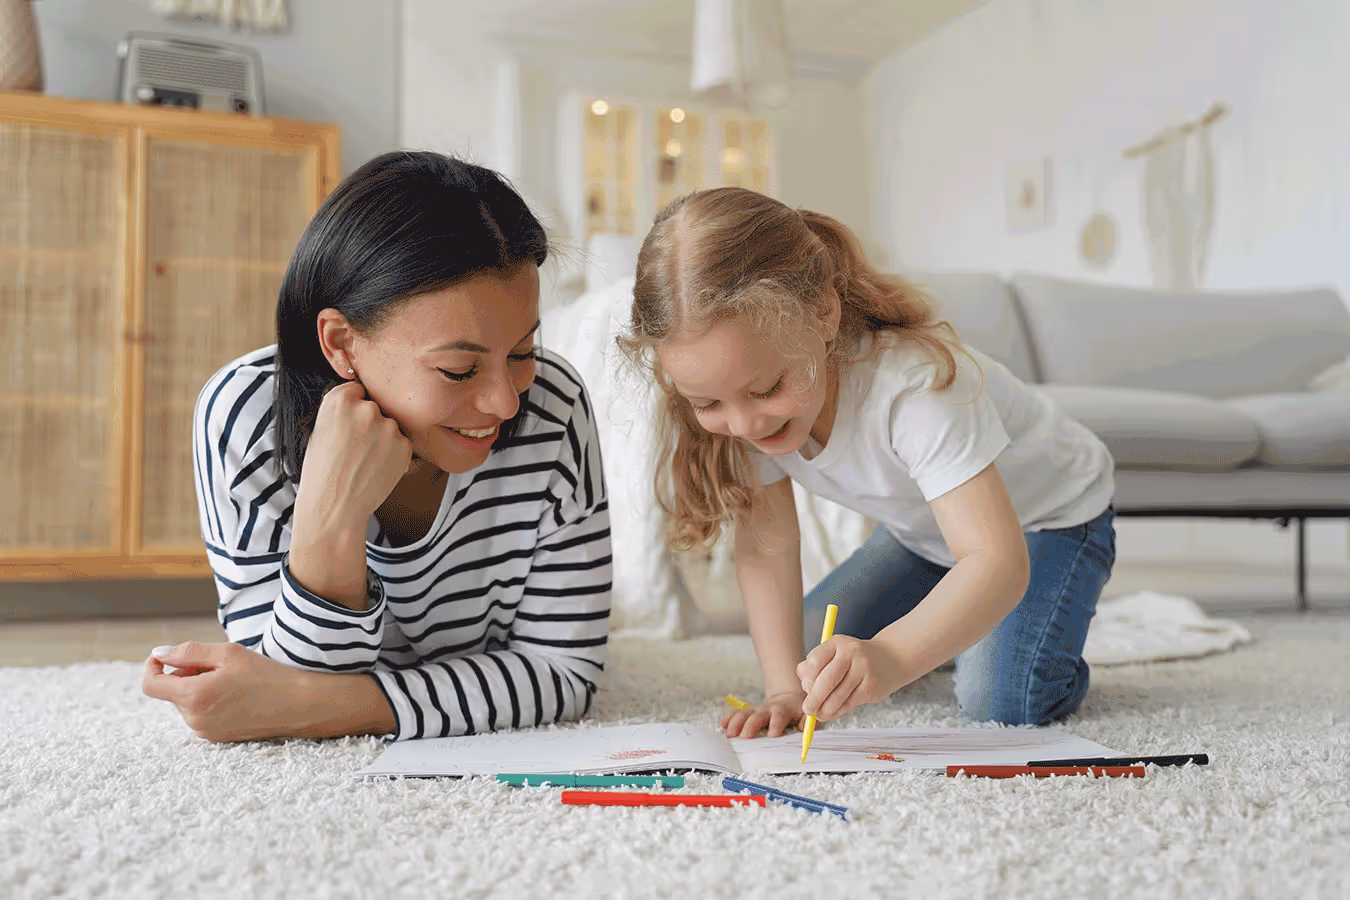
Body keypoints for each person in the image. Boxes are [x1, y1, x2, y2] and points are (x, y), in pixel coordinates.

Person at [142, 151, 612, 743]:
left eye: (521, 353)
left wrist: (341, 706)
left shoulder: (556, 405)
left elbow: (564, 674)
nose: (507, 404)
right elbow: (280, 686)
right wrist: (331, 517)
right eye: (459, 369)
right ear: (341, 343)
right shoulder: (246, 414)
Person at [619, 187, 1116, 740]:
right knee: (810, 659)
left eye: (766, 389)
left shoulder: (916, 388)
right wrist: (784, 689)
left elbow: (996, 560)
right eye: (709, 404)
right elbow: (766, 548)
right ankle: (959, 626)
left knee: (1000, 697)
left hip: (1049, 520)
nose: (744, 425)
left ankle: (1022, 646)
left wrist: (895, 658)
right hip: (923, 537)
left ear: (824, 314)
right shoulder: (744, 404)